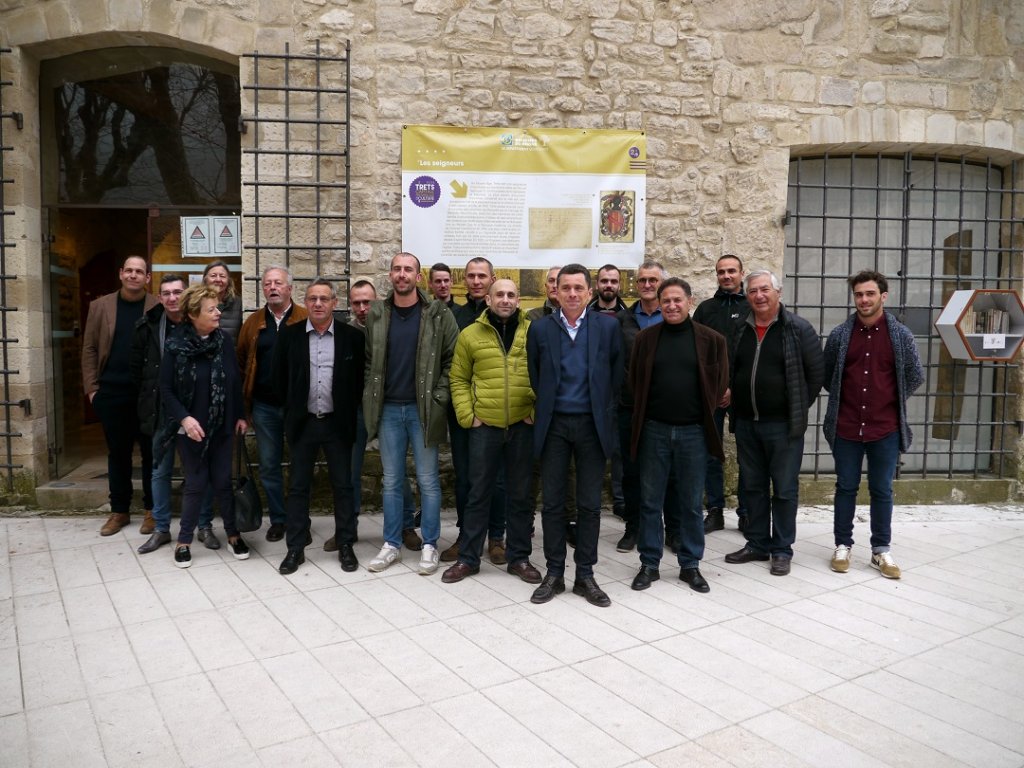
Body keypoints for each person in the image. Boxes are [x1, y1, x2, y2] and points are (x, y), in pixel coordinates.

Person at [527, 264, 622, 607]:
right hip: (554, 425)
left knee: (589, 505)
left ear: (589, 291)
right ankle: (554, 573)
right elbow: (537, 377)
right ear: (555, 291)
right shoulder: (539, 330)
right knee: (552, 503)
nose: (571, 294)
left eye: (577, 288)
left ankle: (585, 574)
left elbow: (615, 375)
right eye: (564, 288)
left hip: (591, 426)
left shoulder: (608, 328)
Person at [628, 278, 728, 593]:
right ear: (659, 304)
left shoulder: (711, 340)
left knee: (689, 502)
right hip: (654, 430)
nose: (671, 306)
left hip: (693, 433)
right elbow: (634, 382)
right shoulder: (645, 339)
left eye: (677, 300)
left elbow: (720, 381)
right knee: (650, 501)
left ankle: (690, 565)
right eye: (666, 301)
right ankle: (649, 563)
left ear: (689, 302)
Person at [823, 270, 924, 579]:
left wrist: (886, 399)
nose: (863, 300)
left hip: (885, 428)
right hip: (847, 426)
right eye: (858, 294)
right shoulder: (841, 335)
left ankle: (880, 549)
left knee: (882, 489)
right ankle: (843, 545)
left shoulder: (900, 335)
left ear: (883, 296)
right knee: (845, 487)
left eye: (869, 294)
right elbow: (828, 377)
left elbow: (914, 375)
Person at [363, 252, 458, 575]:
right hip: (388, 409)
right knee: (391, 481)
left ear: (419, 277)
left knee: (429, 480)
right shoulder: (377, 313)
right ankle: (391, 543)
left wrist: (439, 396)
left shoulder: (437, 313)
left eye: (408, 269)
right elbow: (368, 361)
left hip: (424, 410)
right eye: (397, 269)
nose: (402, 274)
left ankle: (430, 544)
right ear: (390, 275)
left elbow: (451, 360)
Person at [725, 270, 824, 576]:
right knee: (752, 487)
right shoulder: (741, 327)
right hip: (746, 423)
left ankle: (781, 549)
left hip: (782, 426)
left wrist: (793, 407)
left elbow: (815, 375)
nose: (758, 296)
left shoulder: (797, 328)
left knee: (783, 489)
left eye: (764, 289)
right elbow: (733, 367)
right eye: (753, 291)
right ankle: (757, 543)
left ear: (778, 292)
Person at [443, 279, 540, 584]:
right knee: (478, 493)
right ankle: (469, 559)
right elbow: (457, 379)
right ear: (488, 299)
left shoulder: (534, 333)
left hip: (522, 426)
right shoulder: (470, 334)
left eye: (511, 295)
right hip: (484, 426)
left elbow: (549, 374)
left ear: (519, 300)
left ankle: (519, 558)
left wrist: (535, 413)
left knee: (521, 496)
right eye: (500, 294)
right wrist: (468, 416)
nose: (505, 299)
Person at [273, 278, 366, 575]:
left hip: (338, 424)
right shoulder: (289, 336)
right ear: (305, 301)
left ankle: (346, 543)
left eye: (324, 299)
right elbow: (279, 378)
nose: (317, 304)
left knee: (344, 486)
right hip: (304, 423)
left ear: (334, 303)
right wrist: (290, 413)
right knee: (298, 487)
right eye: (312, 298)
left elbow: (359, 381)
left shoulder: (352, 337)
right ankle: (295, 548)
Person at [156, 284, 250, 568]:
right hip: (191, 428)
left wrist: (241, 415)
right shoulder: (175, 345)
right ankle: (183, 541)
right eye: (211, 309)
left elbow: (235, 381)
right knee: (196, 484)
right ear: (194, 314)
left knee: (223, 482)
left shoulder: (224, 341)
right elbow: (166, 389)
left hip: (222, 425)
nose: (218, 312)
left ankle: (233, 535)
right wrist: (184, 418)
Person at [329, 280, 420, 553]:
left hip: (388, 407)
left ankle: (406, 526)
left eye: (366, 302)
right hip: (355, 411)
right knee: (350, 473)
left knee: (396, 472)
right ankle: (347, 529)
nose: (361, 308)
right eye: (356, 303)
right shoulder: (343, 332)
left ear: (377, 301)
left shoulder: (390, 326)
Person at [82, 254, 158, 536]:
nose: (134, 275)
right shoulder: (100, 306)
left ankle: (152, 510)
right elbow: (89, 348)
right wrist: (92, 389)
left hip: (147, 394)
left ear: (147, 278)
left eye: (140, 271)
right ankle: (120, 511)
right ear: (121, 274)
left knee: (152, 454)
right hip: (111, 392)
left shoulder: (158, 306)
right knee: (118, 454)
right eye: (129, 270)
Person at [236, 265, 308, 543]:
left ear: (290, 288)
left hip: (298, 406)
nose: (273, 288)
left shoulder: (304, 318)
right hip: (265, 407)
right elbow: (242, 363)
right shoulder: (253, 323)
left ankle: (300, 517)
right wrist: (245, 407)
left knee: (301, 463)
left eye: (278, 283)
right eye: (268, 284)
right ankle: (279, 519)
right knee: (268, 464)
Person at [443, 257, 507, 565]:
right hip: (464, 413)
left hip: (495, 412)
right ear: (464, 280)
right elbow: (451, 367)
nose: (477, 281)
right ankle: (466, 536)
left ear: (493, 278)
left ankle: (496, 537)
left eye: (483, 276)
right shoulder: (453, 315)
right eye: (471, 276)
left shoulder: (504, 316)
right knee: (465, 477)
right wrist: (465, 411)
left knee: (496, 477)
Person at [615, 260, 680, 553]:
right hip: (631, 408)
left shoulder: (674, 317)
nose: (647, 285)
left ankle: (674, 530)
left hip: (667, 408)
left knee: (672, 472)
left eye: (653, 280)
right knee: (632, 471)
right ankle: (634, 527)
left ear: (662, 283)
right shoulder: (623, 321)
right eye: (642, 280)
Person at [131, 274, 192, 554]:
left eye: (177, 292)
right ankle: (161, 529)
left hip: (193, 411)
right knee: (159, 472)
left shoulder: (198, 322)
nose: (171, 298)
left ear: (186, 294)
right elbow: (138, 371)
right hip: (159, 411)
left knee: (196, 472)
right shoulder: (148, 325)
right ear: (159, 296)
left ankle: (201, 526)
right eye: (166, 293)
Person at [693, 254, 750, 534]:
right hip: (711, 393)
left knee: (747, 453)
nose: (726, 276)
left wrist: (733, 387)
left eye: (731, 271)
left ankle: (746, 511)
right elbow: (697, 352)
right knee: (711, 453)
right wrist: (716, 387)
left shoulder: (753, 306)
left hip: (744, 393)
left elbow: (752, 354)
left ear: (741, 273)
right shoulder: (706, 309)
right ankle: (715, 510)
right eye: (721, 272)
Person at [202, 260, 242, 343]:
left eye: (222, 276)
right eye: (213, 276)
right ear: (205, 279)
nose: (218, 279)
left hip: (230, 354)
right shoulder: (197, 303)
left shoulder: (239, 304)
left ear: (228, 280)